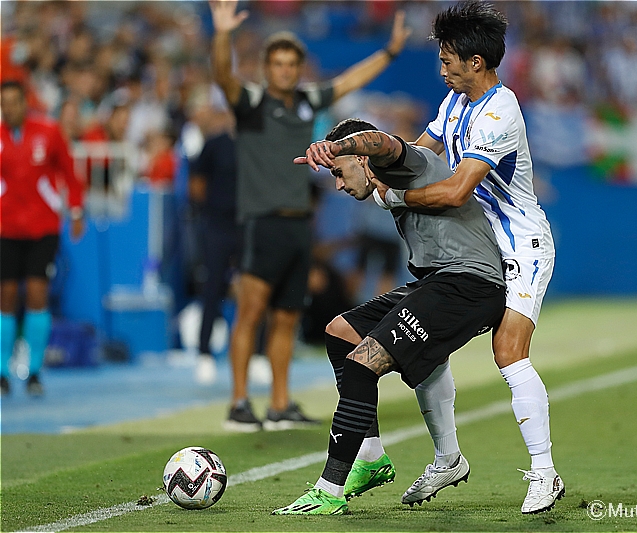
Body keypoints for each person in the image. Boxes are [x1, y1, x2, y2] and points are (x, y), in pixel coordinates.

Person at [372, 1, 562, 514]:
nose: (441, 66)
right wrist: (371, 169)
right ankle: (448, 457)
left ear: (477, 62)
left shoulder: (500, 111)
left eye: (448, 57)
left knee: (509, 350)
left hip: (520, 243)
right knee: (427, 340)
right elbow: (419, 153)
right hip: (473, 247)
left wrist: (394, 197)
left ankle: (543, 472)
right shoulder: (455, 102)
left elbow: (455, 190)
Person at [273, 119, 506, 515]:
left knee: (363, 365)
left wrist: (335, 146)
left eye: (339, 171)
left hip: (470, 284)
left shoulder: (401, 163)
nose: (339, 185)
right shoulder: (383, 187)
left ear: (361, 158)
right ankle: (370, 455)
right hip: (438, 282)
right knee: (341, 332)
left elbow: (382, 142)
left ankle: (329, 488)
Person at [209, 0, 411, 431]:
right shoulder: (251, 102)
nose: (283, 70)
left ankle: (280, 403)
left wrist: (390, 53)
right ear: (266, 67)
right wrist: (223, 33)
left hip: (300, 224)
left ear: (299, 68)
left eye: (290, 64)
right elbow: (224, 76)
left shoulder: (307, 101)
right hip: (262, 222)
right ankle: (239, 402)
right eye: (277, 63)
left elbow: (347, 82)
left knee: (287, 316)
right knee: (251, 312)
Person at [0, 80, 85, 396]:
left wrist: (76, 211)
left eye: (13, 102)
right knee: (5, 298)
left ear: (24, 103)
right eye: (3, 103)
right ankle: (2, 372)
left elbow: (69, 173)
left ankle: (34, 371)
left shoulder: (48, 133)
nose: (9, 109)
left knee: (37, 295)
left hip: (42, 228)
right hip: (5, 229)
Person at [188, 104, 239, 385]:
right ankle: (204, 353)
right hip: (217, 226)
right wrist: (205, 209)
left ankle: (255, 354)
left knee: (253, 290)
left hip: (246, 226)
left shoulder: (256, 146)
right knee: (211, 288)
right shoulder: (214, 144)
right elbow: (196, 180)